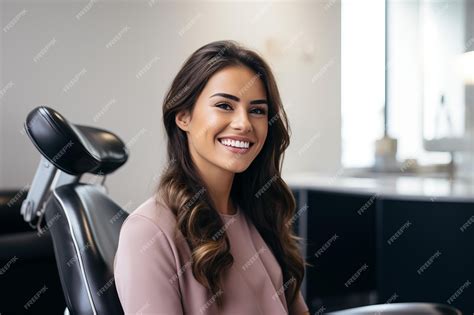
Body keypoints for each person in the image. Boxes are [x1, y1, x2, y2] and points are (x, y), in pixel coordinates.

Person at [114, 40, 310, 315]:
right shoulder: (148, 232)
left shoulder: (258, 212)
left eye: (257, 110)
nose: (243, 123)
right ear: (183, 116)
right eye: (225, 106)